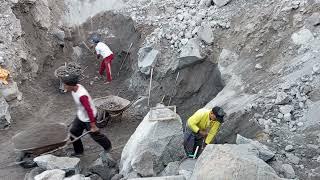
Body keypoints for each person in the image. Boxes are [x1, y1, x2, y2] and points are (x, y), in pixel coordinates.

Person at [62, 74, 112, 156]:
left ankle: (108, 147)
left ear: (71, 85)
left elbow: (89, 110)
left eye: (65, 85)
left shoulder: (82, 96)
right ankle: (79, 152)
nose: (64, 86)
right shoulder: (75, 88)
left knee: (95, 135)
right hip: (81, 115)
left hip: (89, 118)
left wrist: (93, 125)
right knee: (73, 133)